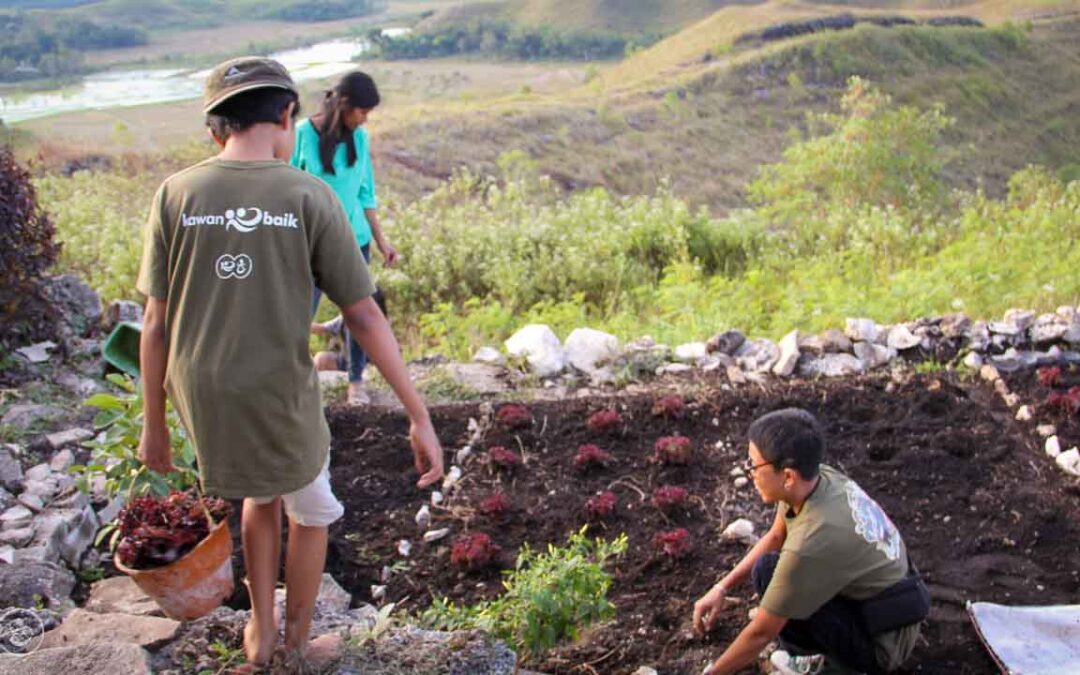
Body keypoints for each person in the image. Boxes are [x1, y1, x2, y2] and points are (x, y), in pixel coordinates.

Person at [136, 56, 444, 672]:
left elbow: (154, 324)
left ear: (215, 128)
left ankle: (259, 622)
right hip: (277, 389)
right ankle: (293, 642)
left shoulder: (176, 194)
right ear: (286, 115)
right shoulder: (308, 196)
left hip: (202, 393)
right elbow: (362, 316)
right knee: (314, 507)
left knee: (257, 492)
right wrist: (419, 414)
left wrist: (155, 425)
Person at [693, 409, 927, 675]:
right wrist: (722, 588)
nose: (750, 473)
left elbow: (760, 633)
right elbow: (775, 537)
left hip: (883, 643)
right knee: (768, 569)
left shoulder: (812, 541)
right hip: (887, 603)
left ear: (788, 476)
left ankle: (835, 666)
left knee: (781, 582)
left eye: (754, 465)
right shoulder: (818, 479)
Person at [291, 70, 396, 407]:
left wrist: (381, 241)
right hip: (312, 244)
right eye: (362, 112)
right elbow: (287, 190)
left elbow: (366, 192)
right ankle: (294, 382)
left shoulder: (359, 138)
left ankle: (356, 382)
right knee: (297, 314)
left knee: (358, 314)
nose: (364, 120)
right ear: (345, 104)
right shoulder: (302, 135)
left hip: (354, 242)